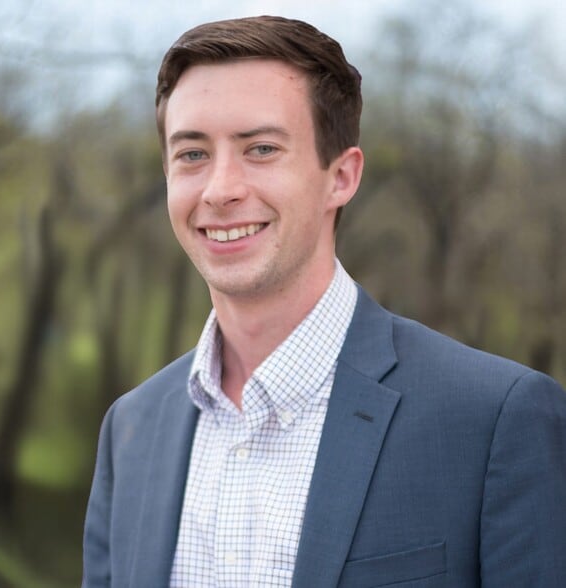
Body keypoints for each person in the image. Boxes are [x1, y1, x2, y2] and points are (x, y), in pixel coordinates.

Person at [82, 15, 566, 588]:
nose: (220, 189)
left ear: (341, 176)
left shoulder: (496, 420)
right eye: (192, 154)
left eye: (261, 149)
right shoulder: (130, 430)